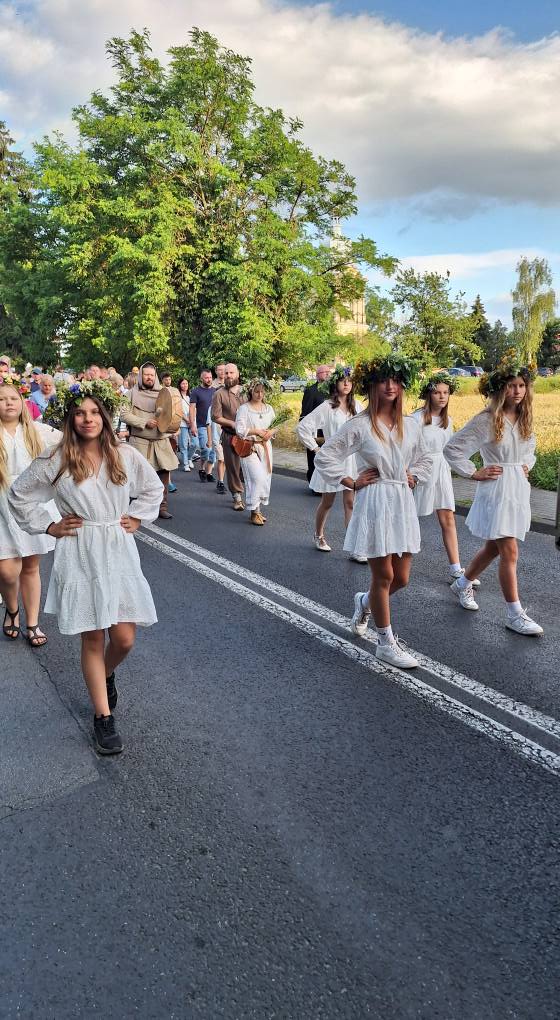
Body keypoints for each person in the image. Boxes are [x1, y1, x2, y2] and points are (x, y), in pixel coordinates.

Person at [8, 381, 163, 754]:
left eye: (95, 412)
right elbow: (19, 495)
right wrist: (49, 526)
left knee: (123, 637)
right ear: (70, 418)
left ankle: (106, 674)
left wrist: (138, 519)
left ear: (105, 416)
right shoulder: (56, 458)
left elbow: (153, 489)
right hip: (79, 550)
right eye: (80, 412)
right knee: (93, 636)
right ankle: (103, 718)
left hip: (117, 548)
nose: (88, 419)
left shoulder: (124, 454)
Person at [314, 355, 432, 669]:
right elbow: (326, 457)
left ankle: (364, 602)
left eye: (395, 380)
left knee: (402, 578)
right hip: (376, 500)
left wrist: (414, 475)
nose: (390, 386)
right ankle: (386, 642)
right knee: (384, 575)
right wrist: (350, 480)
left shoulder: (410, 425)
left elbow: (426, 459)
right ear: (372, 386)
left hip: (401, 500)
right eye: (383, 380)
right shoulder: (361, 426)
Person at [443, 353, 542, 635]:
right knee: (509, 549)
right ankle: (514, 613)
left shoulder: (525, 417)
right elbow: (453, 449)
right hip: (496, 488)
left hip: (517, 489)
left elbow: (530, 450)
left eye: (522, 385)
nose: (517, 391)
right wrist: (474, 472)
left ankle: (462, 584)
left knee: (493, 548)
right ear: (500, 389)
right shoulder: (486, 420)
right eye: (511, 386)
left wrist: (527, 465)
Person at [0, 379, 59, 646]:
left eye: (12, 398)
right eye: (1, 399)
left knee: (31, 566)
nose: (7, 403)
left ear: (22, 402)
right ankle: (12, 610)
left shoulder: (36, 430)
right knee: (7, 570)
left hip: (32, 502)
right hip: (2, 504)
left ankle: (32, 623)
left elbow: (67, 441)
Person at [412, 371, 479, 587]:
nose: (442, 396)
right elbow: (408, 448)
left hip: (441, 471)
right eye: (437, 392)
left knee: (447, 518)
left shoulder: (447, 421)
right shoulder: (416, 418)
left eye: (445, 392)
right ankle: (395, 558)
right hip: (422, 470)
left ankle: (456, 568)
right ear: (428, 395)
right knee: (411, 517)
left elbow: (451, 449)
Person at [297, 366, 364, 557]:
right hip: (332, 459)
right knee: (327, 501)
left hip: (351, 460)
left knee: (350, 502)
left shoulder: (357, 406)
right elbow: (303, 427)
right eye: (343, 380)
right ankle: (318, 535)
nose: (346, 384)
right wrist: (317, 449)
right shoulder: (327, 406)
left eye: (349, 381)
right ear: (335, 383)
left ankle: (354, 546)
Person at [119, 362, 179, 520]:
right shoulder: (130, 394)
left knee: (164, 473)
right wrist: (143, 422)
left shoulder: (164, 393)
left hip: (161, 441)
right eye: (146, 375)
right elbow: (124, 415)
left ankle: (162, 506)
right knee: (139, 477)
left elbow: (173, 414)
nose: (149, 378)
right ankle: (138, 508)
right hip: (140, 441)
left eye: (152, 375)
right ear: (141, 376)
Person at [235, 379, 275, 525]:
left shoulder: (269, 408)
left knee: (265, 478)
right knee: (256, 478)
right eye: (256, 391)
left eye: (262, 391)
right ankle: (254, 512)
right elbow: (239, 430)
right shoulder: (244, 408)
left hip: (265, 446)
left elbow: (274, 426)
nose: (259, 394)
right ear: (251, 392)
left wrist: (270, 432)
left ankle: (258, 510)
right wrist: (256, 431)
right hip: (250, 447)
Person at [211, 363, 246, 510]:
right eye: (226, 373)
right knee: (232, 467)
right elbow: (215, 416)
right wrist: (232, 423)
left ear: (237, 374)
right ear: (222, 376)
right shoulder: (218, 394)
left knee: (247, 468)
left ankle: (252, 496)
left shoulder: (246, 391)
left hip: (249, 436)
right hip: (230, 436)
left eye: (231, 373)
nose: (229, 376)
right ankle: (237, 497)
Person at [300, 365, 330, 484]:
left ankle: (325, 482)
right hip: (316, 432)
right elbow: (305, 413)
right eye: (324, 372)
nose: (328, 374)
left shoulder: (332, 391)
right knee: (314, 458)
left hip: (329, 430)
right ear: (317, 375)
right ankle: (313, 483)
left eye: (329, 372)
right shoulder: (311, 391)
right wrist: (309, 434)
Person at [189, 369, 216, 483]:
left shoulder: (216, 391)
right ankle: (201, 469)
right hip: (201, 425)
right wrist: (192, 425)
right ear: (201, 378)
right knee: (206, 449)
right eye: (206, 378)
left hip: (214, 425)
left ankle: (208, 473)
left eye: (210, 377)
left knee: (213, 452)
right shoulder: (196, 391)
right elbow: (191, 409)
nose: (209, 380)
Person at [177, 378, 198, 471]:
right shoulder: (178, 397)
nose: (185, 385)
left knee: (195, 443)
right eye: (183, 383)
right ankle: (185, 464)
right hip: (182, 423)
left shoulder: (191, 396)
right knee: (183, 444)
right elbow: (178, 410)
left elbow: (195, 409)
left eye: (186, 383)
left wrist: (192, 420)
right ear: (179, 385)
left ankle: (189, 458)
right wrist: (187, 420)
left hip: (192, 422)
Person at [206, 407, 226, 493]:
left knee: (224, 460)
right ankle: (221, 482)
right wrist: (209, 439)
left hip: (227, 438)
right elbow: (208, 424)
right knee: (221, 459)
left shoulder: (228, 406)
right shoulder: (212, 408)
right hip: (216, 438)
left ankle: (220, 481)